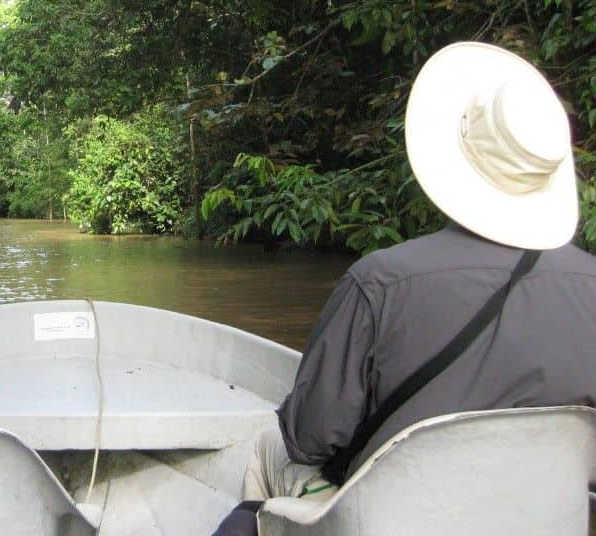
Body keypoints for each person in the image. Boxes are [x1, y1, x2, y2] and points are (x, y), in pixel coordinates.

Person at [216, 41, 596, 534]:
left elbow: (307, 439)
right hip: (542, 520)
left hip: (397, 520)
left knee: (269, 445)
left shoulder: (379, 283)